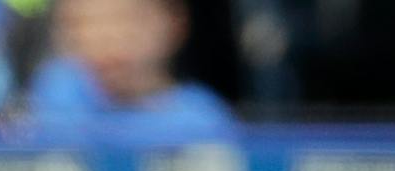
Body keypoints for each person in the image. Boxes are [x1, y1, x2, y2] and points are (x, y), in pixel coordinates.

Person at [25, 0, 237, 134]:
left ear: (174, 24)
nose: (106, 37)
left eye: (125, 19)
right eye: (83, 23)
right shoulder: (54, 93)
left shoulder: (201, 120)